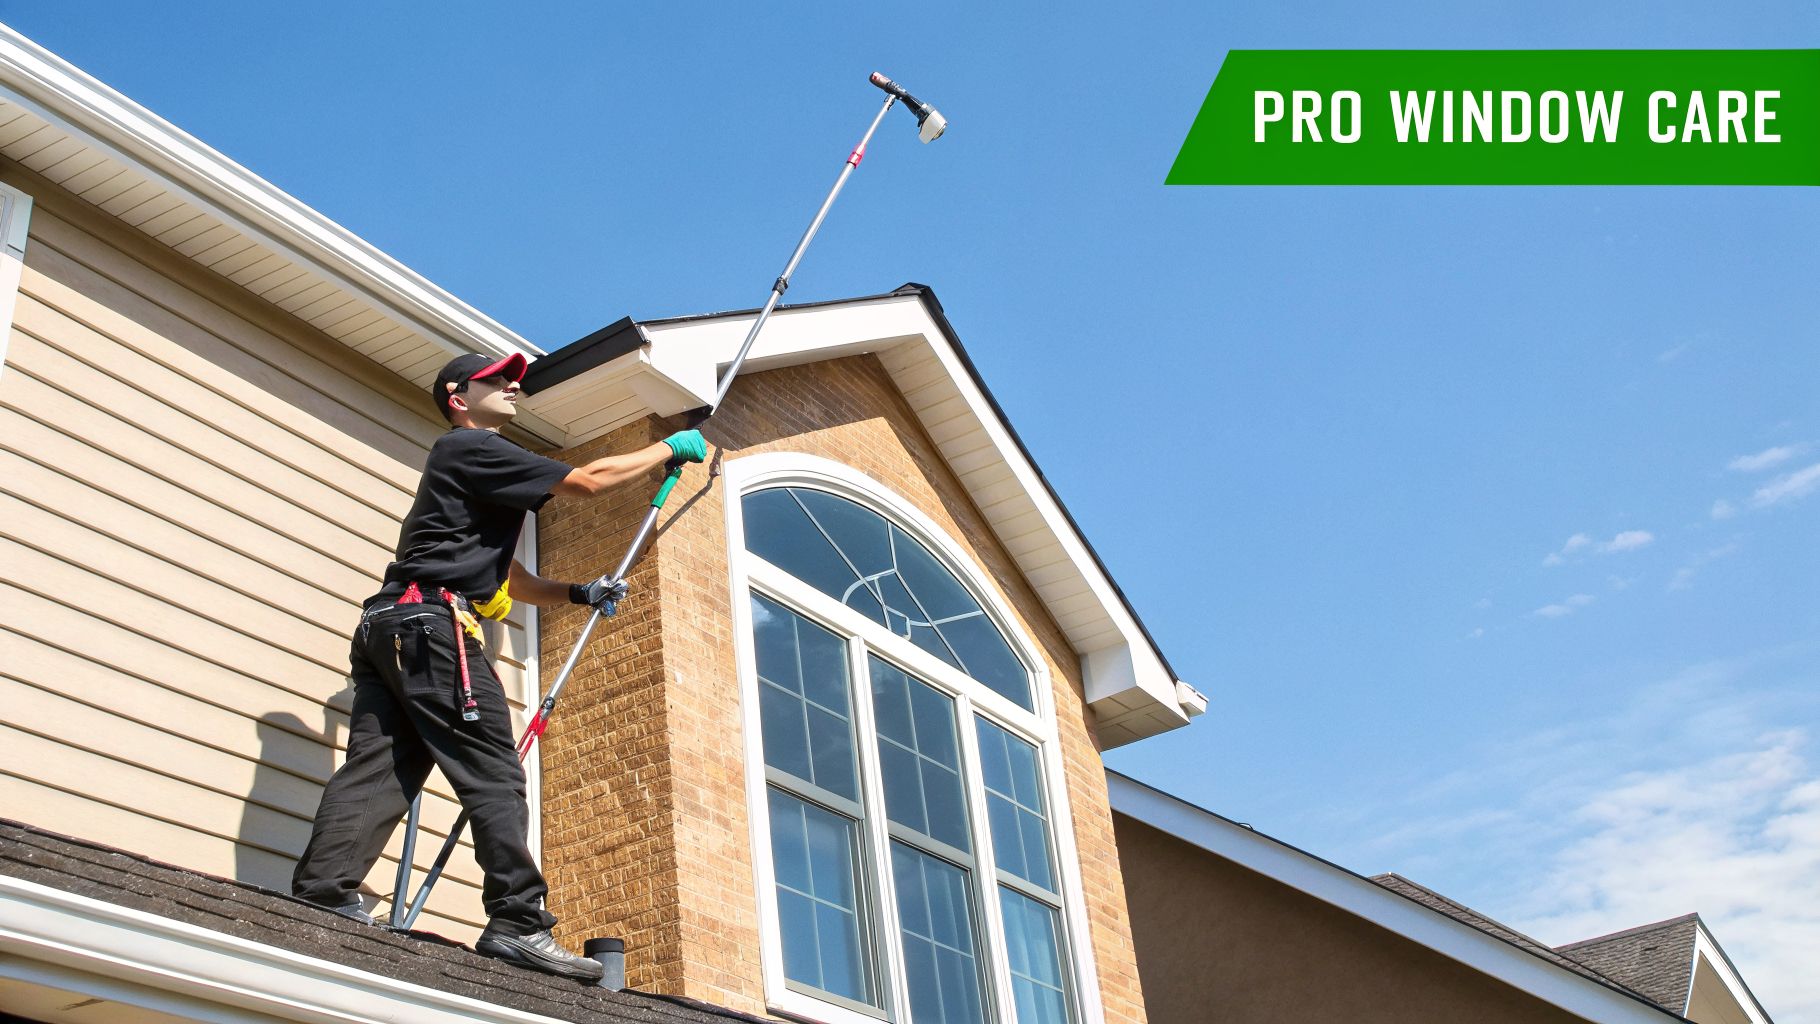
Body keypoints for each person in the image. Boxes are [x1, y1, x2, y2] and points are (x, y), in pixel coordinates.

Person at [291, 351, 706, 982]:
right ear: (459, 398)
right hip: (432, 627)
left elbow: (509, 579)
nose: (513, 385)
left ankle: (322, 891)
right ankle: (518, 920)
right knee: (494, 771)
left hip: (392, 626)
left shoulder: (469, 479)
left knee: (381, 768)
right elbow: (590, 480)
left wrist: (578, 592)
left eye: (514, 379)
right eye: (496, 379)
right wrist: (666, 449)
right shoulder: (472, 446)